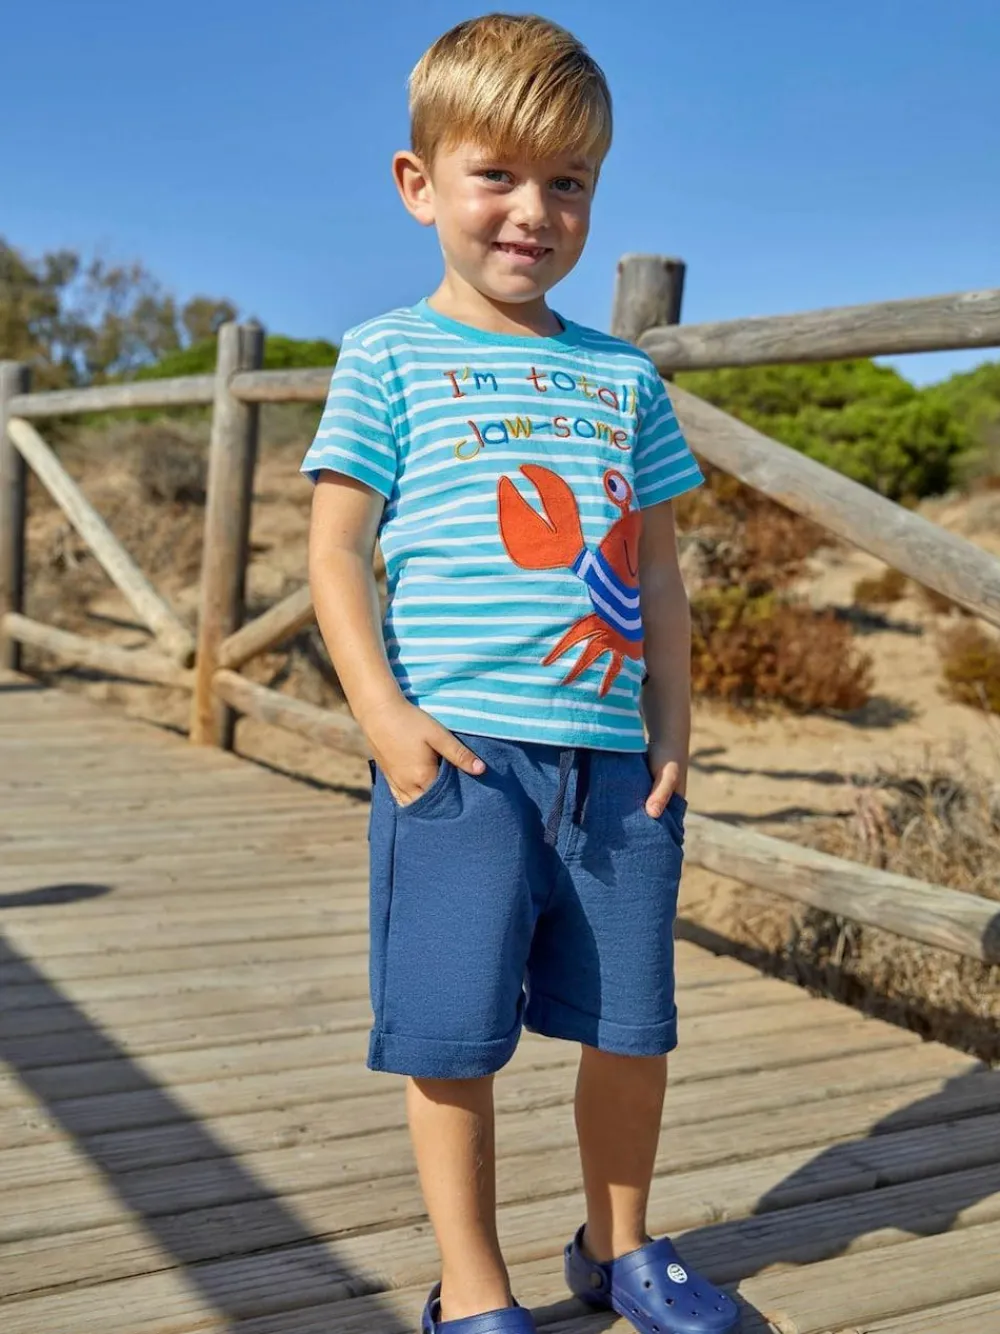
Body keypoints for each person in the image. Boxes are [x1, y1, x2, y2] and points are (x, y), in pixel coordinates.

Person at [302, 14, 740, 1334]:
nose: (533, 211)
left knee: (635, 1023)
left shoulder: (624, 378)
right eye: (496, 173)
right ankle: (473, 1284)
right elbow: (336, 552)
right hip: (460, 763)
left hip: (616, 767)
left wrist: (674, 728)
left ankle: (619, 1245)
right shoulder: (385, 355)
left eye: (569, 182)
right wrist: (388, 725)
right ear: (418, 181)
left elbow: (657, 572)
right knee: (452, 1035)